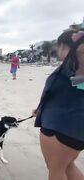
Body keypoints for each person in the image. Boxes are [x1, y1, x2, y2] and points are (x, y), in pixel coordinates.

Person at [33, 29, 84, 180]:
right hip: (75, 130)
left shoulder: (73, 66)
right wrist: (39, 109)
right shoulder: (75, 71)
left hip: (60, 128)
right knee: (67, 166)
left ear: (63, 46)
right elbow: (72, 90)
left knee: (56, 170)